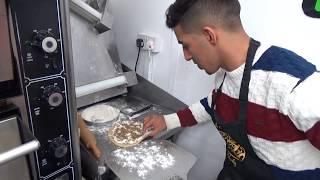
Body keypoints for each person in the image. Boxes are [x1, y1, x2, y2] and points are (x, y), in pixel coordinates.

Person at [143, 0, 320, 179]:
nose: (186, 56)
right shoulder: (224, 74)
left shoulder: (293, 84)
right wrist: (168, 121)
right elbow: (211, 104)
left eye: (185, 45)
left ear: (209, 36)